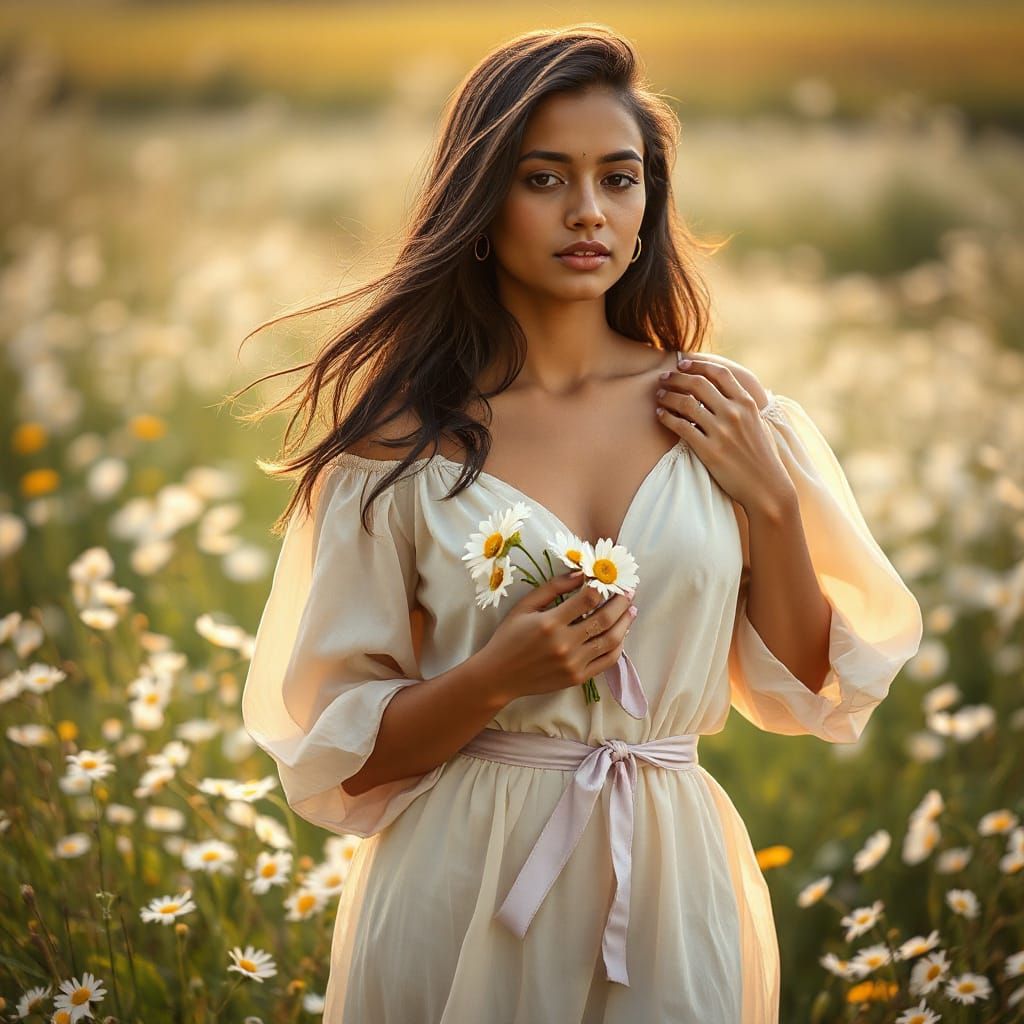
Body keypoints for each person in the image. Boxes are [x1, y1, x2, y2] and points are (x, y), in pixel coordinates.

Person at [238, 23, 923, 1023]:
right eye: (545, 179)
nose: (589, 212)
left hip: (667, 874)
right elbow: (339, 755)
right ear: (480, 203)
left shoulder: (723, 415)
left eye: (619, 178)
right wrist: (491, 678)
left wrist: (772, 503)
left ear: (650, 202)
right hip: (457, 885)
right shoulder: (394, 452)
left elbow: (811, 684)